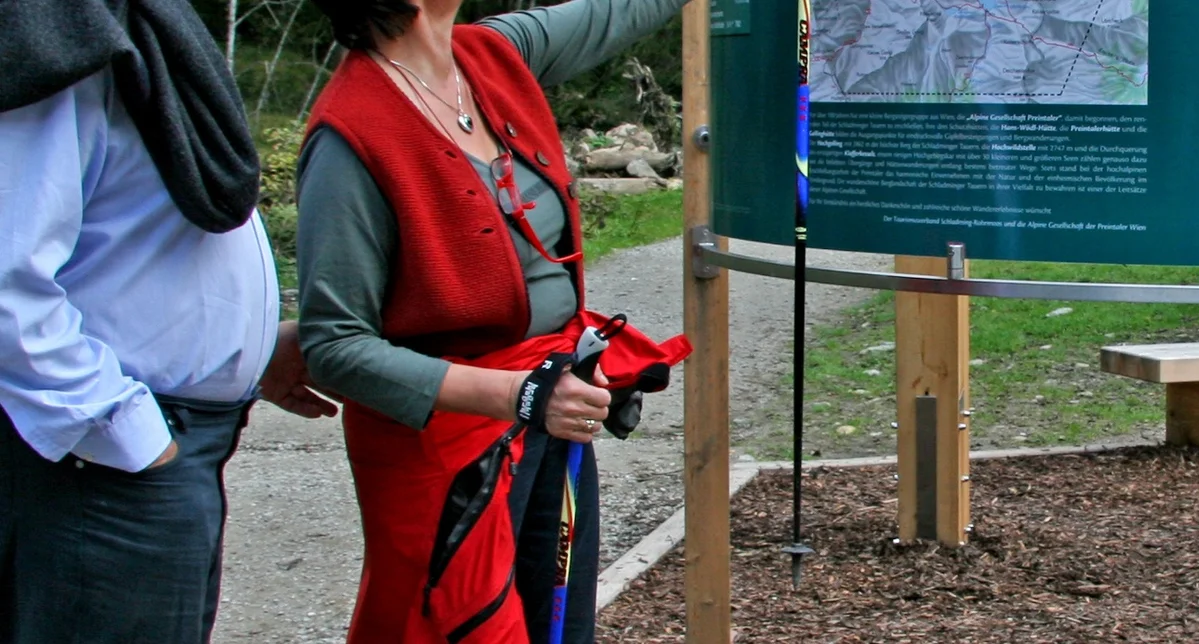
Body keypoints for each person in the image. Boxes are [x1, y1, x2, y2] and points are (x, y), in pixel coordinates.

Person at [295, 1, 691, 641]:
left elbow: (615, 8)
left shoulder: (489, 53)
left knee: (558, 624)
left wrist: (541, 394)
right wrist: (520, 394)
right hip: (445, 446)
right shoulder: (349, 138)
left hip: (553, 407)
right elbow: (334, 346)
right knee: (462, 626)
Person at [0, 0, 339, 642]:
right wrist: (122, 432)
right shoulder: (51, 30)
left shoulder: (128, 23)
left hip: (148, 448)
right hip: (98, 466)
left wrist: (250, 345)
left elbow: (128, 241)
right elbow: (6, 281)